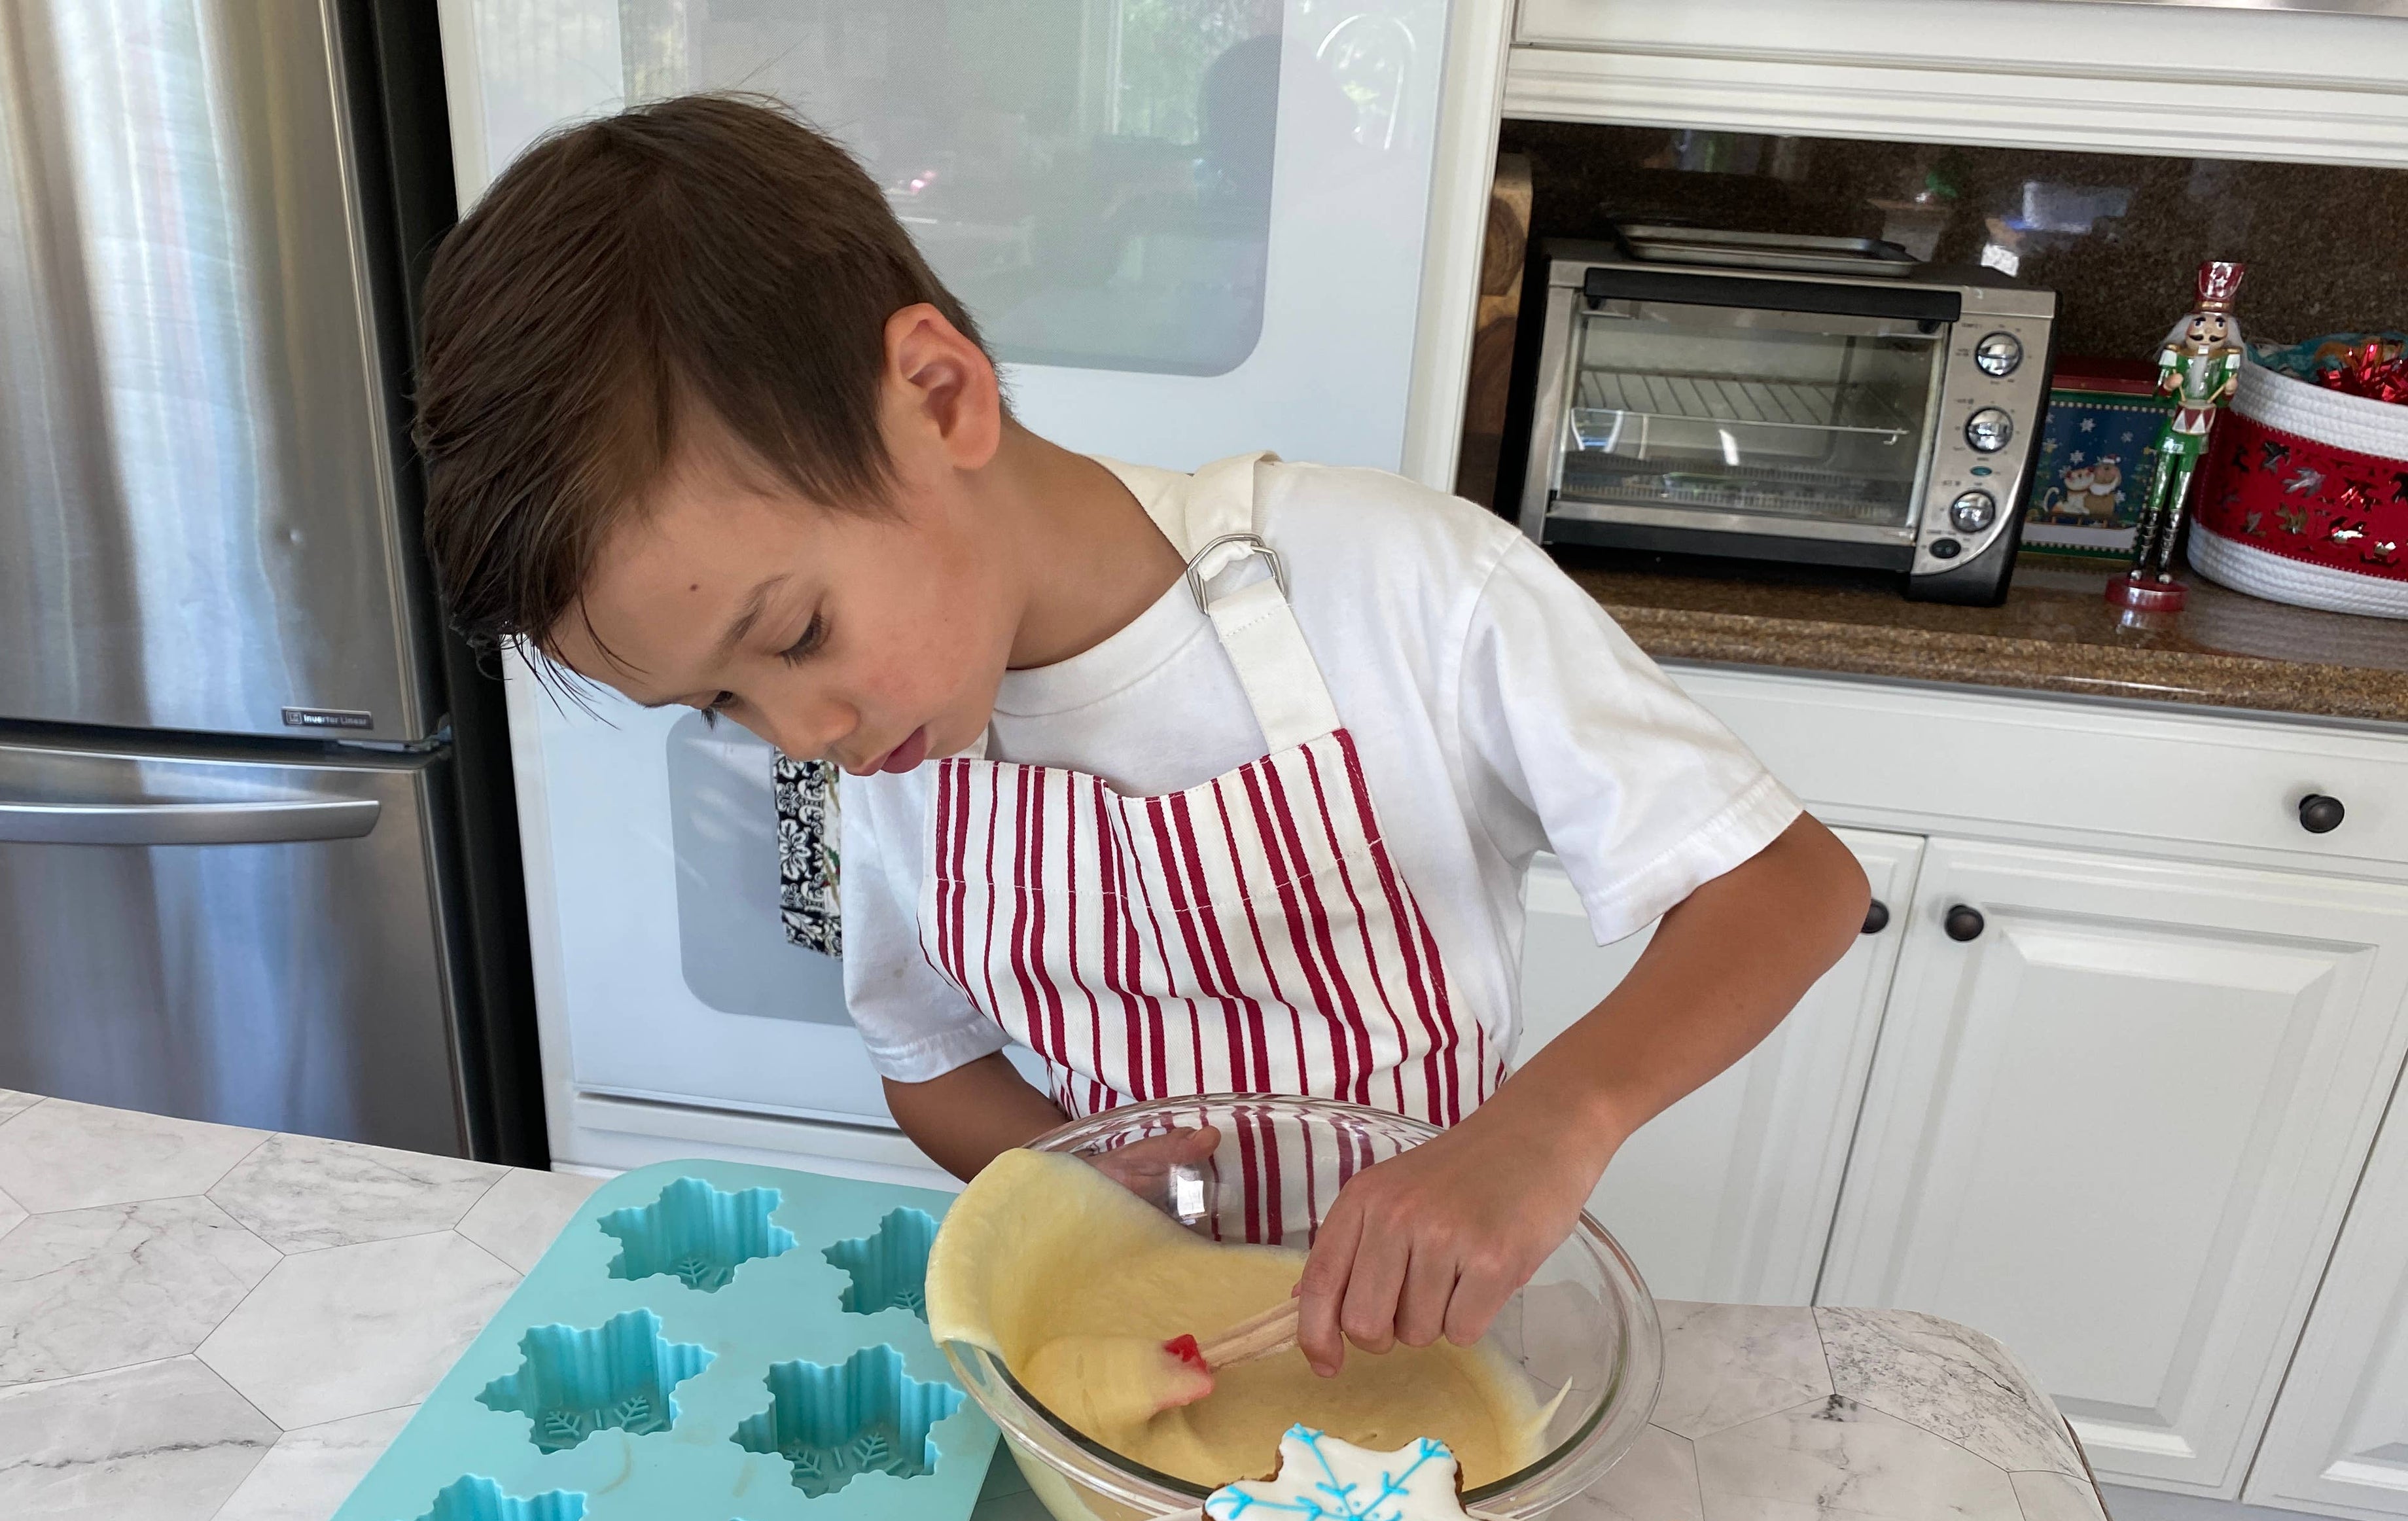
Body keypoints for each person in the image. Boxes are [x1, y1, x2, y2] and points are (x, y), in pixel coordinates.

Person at [415, 95, 1871, 1377]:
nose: (806, 734)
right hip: (1131, 1338)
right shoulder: (893, 745)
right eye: (725, 706)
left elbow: (1791, 888)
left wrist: (1553, 1124)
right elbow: (925, 1058)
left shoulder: (1396, 587)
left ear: (940, 397)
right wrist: (1075, 1180)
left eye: (795, 637)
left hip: (1425, 1340)